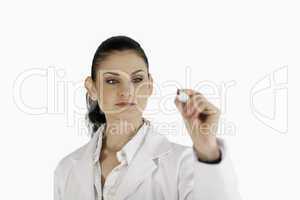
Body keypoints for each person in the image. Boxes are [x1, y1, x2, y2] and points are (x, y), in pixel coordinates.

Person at [53, 35, 241, 200]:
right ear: (92, 88)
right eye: (112, 81)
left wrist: (207, 149)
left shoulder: (183, 164)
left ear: (150, 86)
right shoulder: (67, 169)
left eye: (137, 79)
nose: (127, 91)